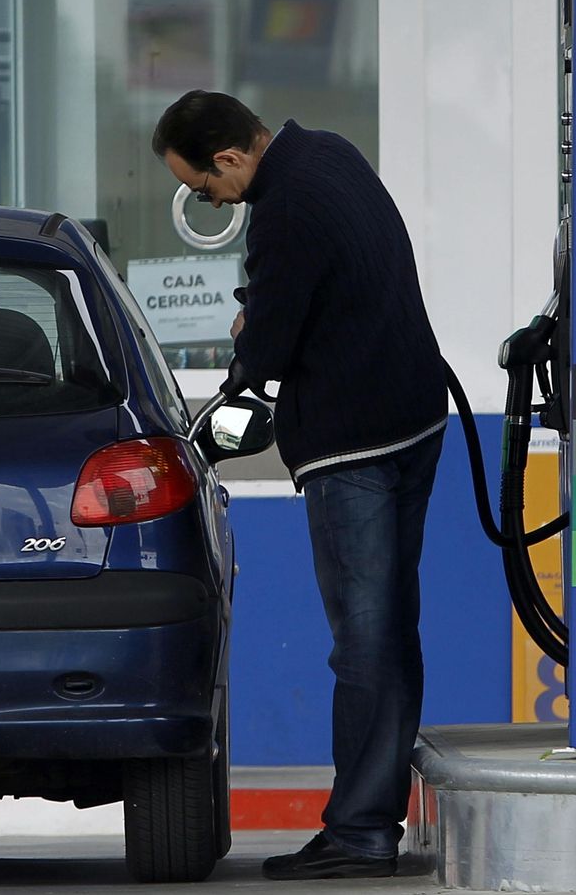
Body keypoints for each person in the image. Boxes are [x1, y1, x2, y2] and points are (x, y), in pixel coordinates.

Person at [152, 90, 448, 881]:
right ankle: (372, 819)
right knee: (389, 634)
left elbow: (272, 348)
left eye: (205, 186)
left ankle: (358, 831)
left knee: (362, 641)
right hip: (416, 421)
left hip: (355, 444)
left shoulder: (281, 211)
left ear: (231, 159)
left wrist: (250, 335)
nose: (211, 199)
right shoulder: (333, 153)